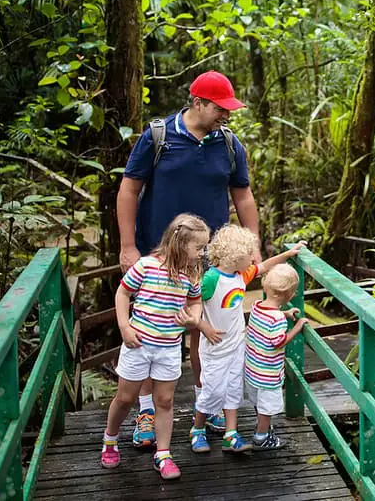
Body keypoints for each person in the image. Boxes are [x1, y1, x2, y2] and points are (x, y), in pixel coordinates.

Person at [116, 70, 260, 447]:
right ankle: (147, 409)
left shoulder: (229, 145)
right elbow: (129, 190)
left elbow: (242, 197)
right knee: (153, 331)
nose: (226, 115)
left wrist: (253, 243)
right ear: (197, 102)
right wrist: (128, 246)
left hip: (210, 258)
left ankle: (206, 402)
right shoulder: (159, 137)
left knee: (205, 332)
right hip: (157, 254)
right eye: (220, 108)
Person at [100, 214, 209, 480]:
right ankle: (110, 440)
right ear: (180, 244)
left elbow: (195, 302)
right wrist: (124, 326)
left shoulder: (191, 275)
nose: (203, 253)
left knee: (165, 400)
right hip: (138, 344)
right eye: (199, 248)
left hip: (170, 347)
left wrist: (194, 317)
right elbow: (123, 293)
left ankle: (163, 454)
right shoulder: (146, 266)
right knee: (125, 398)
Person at [190, 225, 306, 454]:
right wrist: (204, 327)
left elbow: (263, 267)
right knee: (212, 392)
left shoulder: (240, 275)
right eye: (250, 254)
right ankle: (197, 429)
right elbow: (191, 303)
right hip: (215, 348)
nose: (254, 258)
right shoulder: (212, 278)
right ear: (235, 256)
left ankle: (231, 435)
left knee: (234, 390)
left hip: (236, 346)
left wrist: (288, 255)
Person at [245, 263, 309, 450]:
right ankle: (261, 437)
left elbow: (268, 319)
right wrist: (297, 327)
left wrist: (284, 313)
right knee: (267, 406)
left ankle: (262, 428)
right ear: (289, 295)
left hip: (252, 368)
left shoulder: (257, 306)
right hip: (267, 373)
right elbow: (278, 341)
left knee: (259, 403)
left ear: (266, 286)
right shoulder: (278, 319)